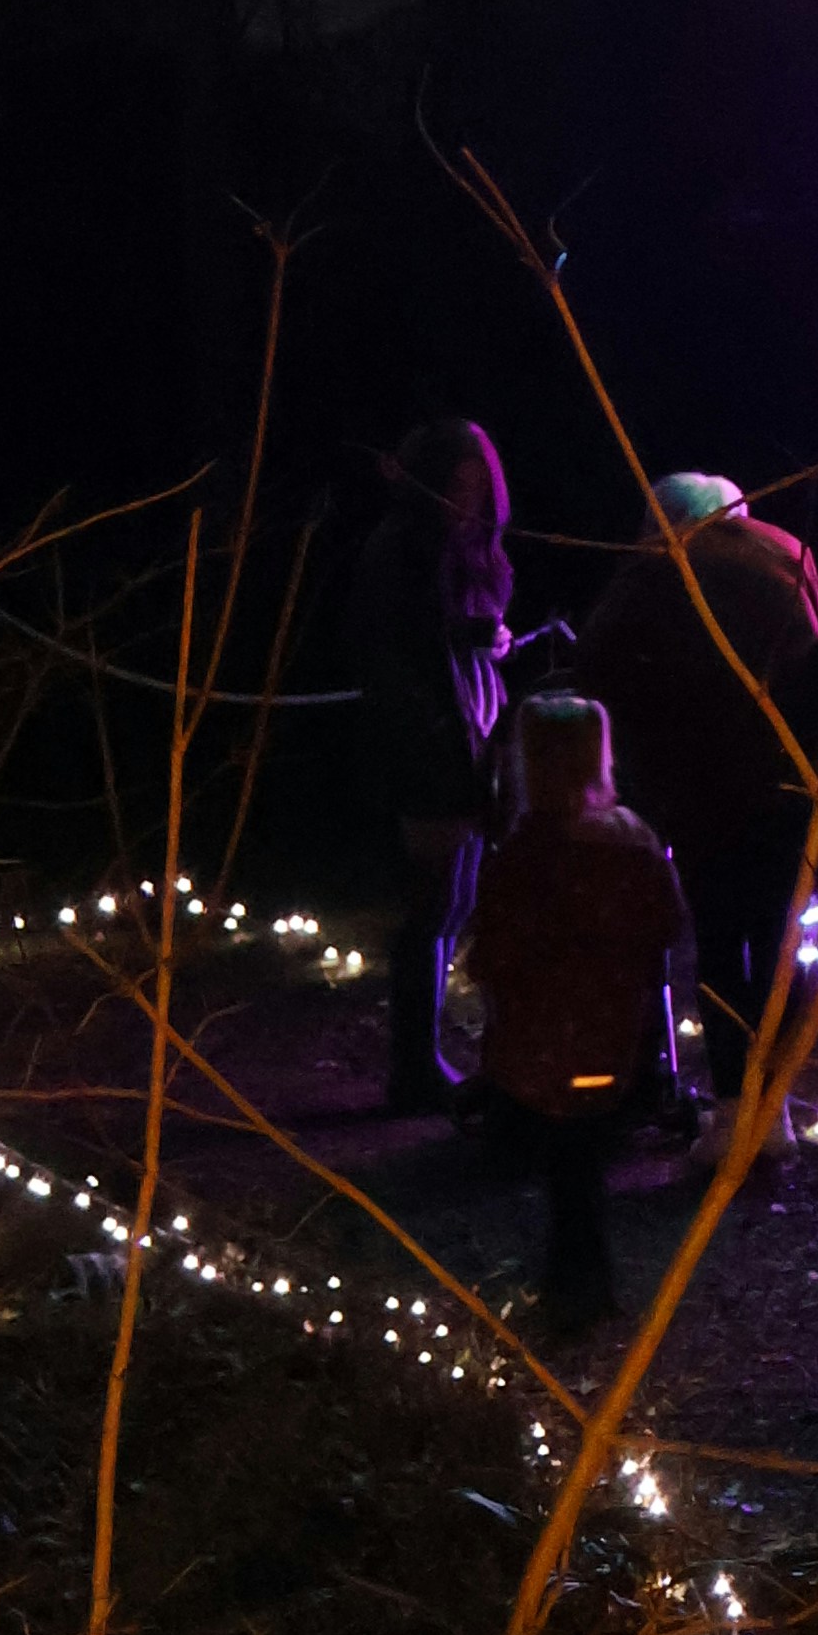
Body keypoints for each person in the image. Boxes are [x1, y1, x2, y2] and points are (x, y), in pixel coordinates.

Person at [576, 473, 818, 1140]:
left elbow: (596, 661)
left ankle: (731, 1109)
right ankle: (773, 1110)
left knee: (719, 944)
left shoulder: (662, 568)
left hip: (702, 787)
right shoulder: (787, 556)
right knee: (779, 944)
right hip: (787, 781)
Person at [461, 689, 695, 1327]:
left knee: (566, 1163)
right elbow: (668, 924)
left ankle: (575, 1288)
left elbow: (492, 953)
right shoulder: (634, 840)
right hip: (617, 1035)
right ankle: (584, 1280)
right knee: (583, 1158)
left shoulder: (525, 855)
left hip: (539, 1046)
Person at [343, 417, 513, 1115]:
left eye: (477, 487)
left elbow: (456, 639)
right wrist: (438, 732)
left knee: (456, 900)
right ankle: (413, 1066)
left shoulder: (467, 550)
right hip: (430, 746)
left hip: (468, 735)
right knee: (433, 903)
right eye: (456, 485)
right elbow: (394, 649)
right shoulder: (398, 550)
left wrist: (487, 640)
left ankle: (424, 1058)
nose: (467, 500)